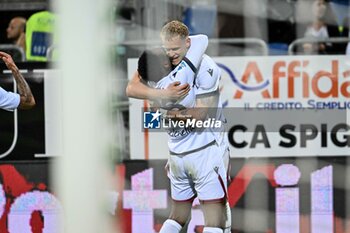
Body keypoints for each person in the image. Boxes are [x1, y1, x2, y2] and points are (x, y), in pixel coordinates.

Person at [126, 20, 231, 233]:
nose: (171, 54)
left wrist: (163, 109)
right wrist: (169, 107)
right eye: (168, 49)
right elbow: (201, 116)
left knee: (178, 216)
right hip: (204, 152)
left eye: (175, 49)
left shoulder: (166, 75)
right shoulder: (190, 67)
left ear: (187, 43)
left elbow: (136, 95)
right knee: (216, 219)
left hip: (178, 154)